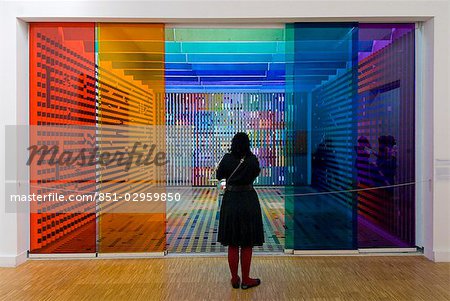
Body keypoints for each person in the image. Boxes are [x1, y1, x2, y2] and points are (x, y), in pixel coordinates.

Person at [216, 132, 264, 289]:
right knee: (247, 243)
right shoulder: (252, 160)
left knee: (232, 243)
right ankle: (246, 279)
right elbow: (256, 173)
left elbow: (219, 176)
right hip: (249, 201)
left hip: (231, 201)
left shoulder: (227, 159)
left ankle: (235, 279)